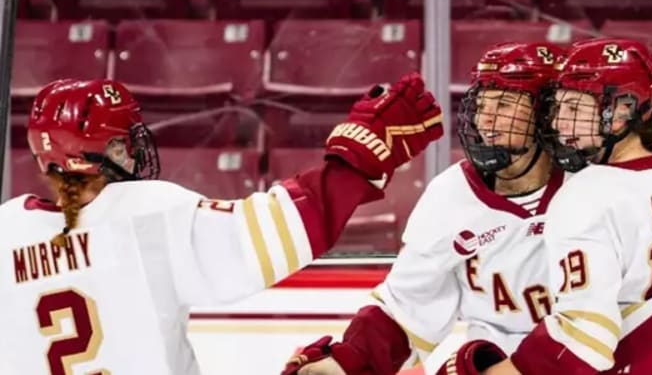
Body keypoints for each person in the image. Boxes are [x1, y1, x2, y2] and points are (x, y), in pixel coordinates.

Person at [0, 74, 442, 375]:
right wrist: (357, 158)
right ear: (100, 153)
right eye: (123, 143)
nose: (134, 152)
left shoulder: (6, 230)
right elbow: (281, 229)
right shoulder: (145, 215)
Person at [281, 42, 570, 375]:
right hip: (497, 365)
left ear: (549, 113)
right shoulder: (451, 195)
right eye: (482, 103)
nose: (486, 117)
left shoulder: (593, 186)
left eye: (504, 103)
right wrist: (348, 362)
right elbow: (406, 309)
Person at [472, 38, 652, 375]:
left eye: (575, 109)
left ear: (623, 110)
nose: (559, 123)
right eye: (558, 108)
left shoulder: (584, 197)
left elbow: (586, 339)